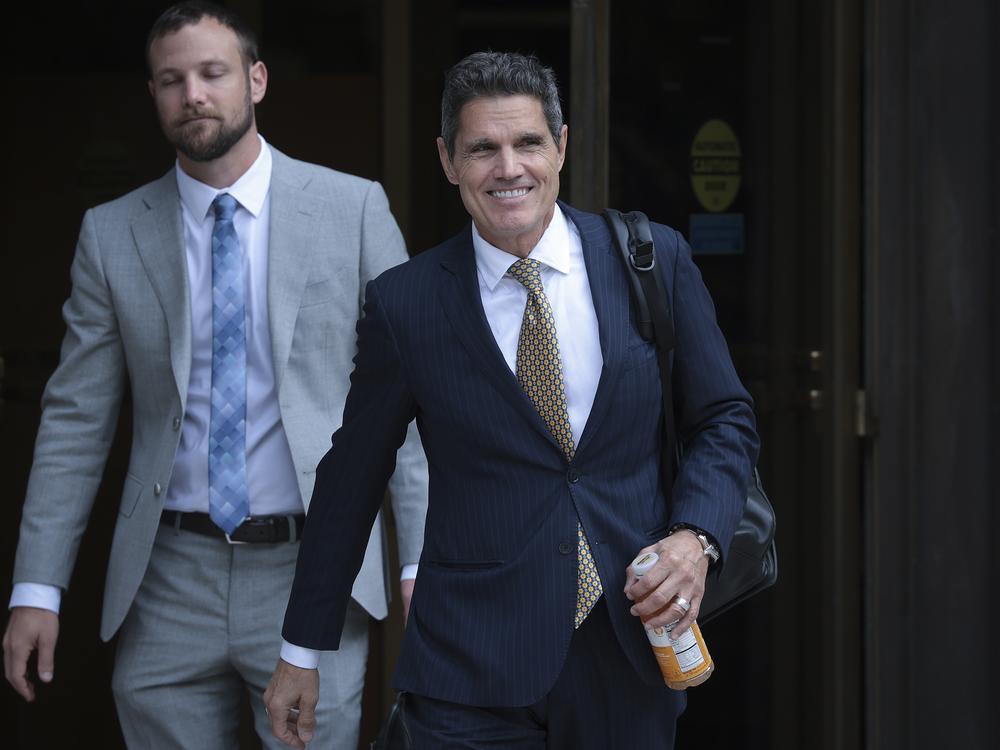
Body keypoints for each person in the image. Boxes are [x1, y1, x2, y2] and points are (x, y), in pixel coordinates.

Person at [265, 51, 758, 749]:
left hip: (627, 646)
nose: (508, 168)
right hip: (469, 665)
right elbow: (351, 480)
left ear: (561, 145)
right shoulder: (406, 304)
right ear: (447, 160)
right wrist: (301, 650)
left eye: (528, 142)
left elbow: (724, 420)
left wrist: (696, 537)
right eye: (483, 149)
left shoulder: (652, 260)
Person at [1, 2, 428, 748]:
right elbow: (75, 418)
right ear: (153, 97)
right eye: (171, 80)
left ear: (256, 80)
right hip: (167, 577)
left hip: (314, 567)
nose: (192, 94)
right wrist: (37, 588)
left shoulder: (352, 209)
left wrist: (422, 559)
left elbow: (411, 399)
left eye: (212, 73)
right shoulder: (111, 233)